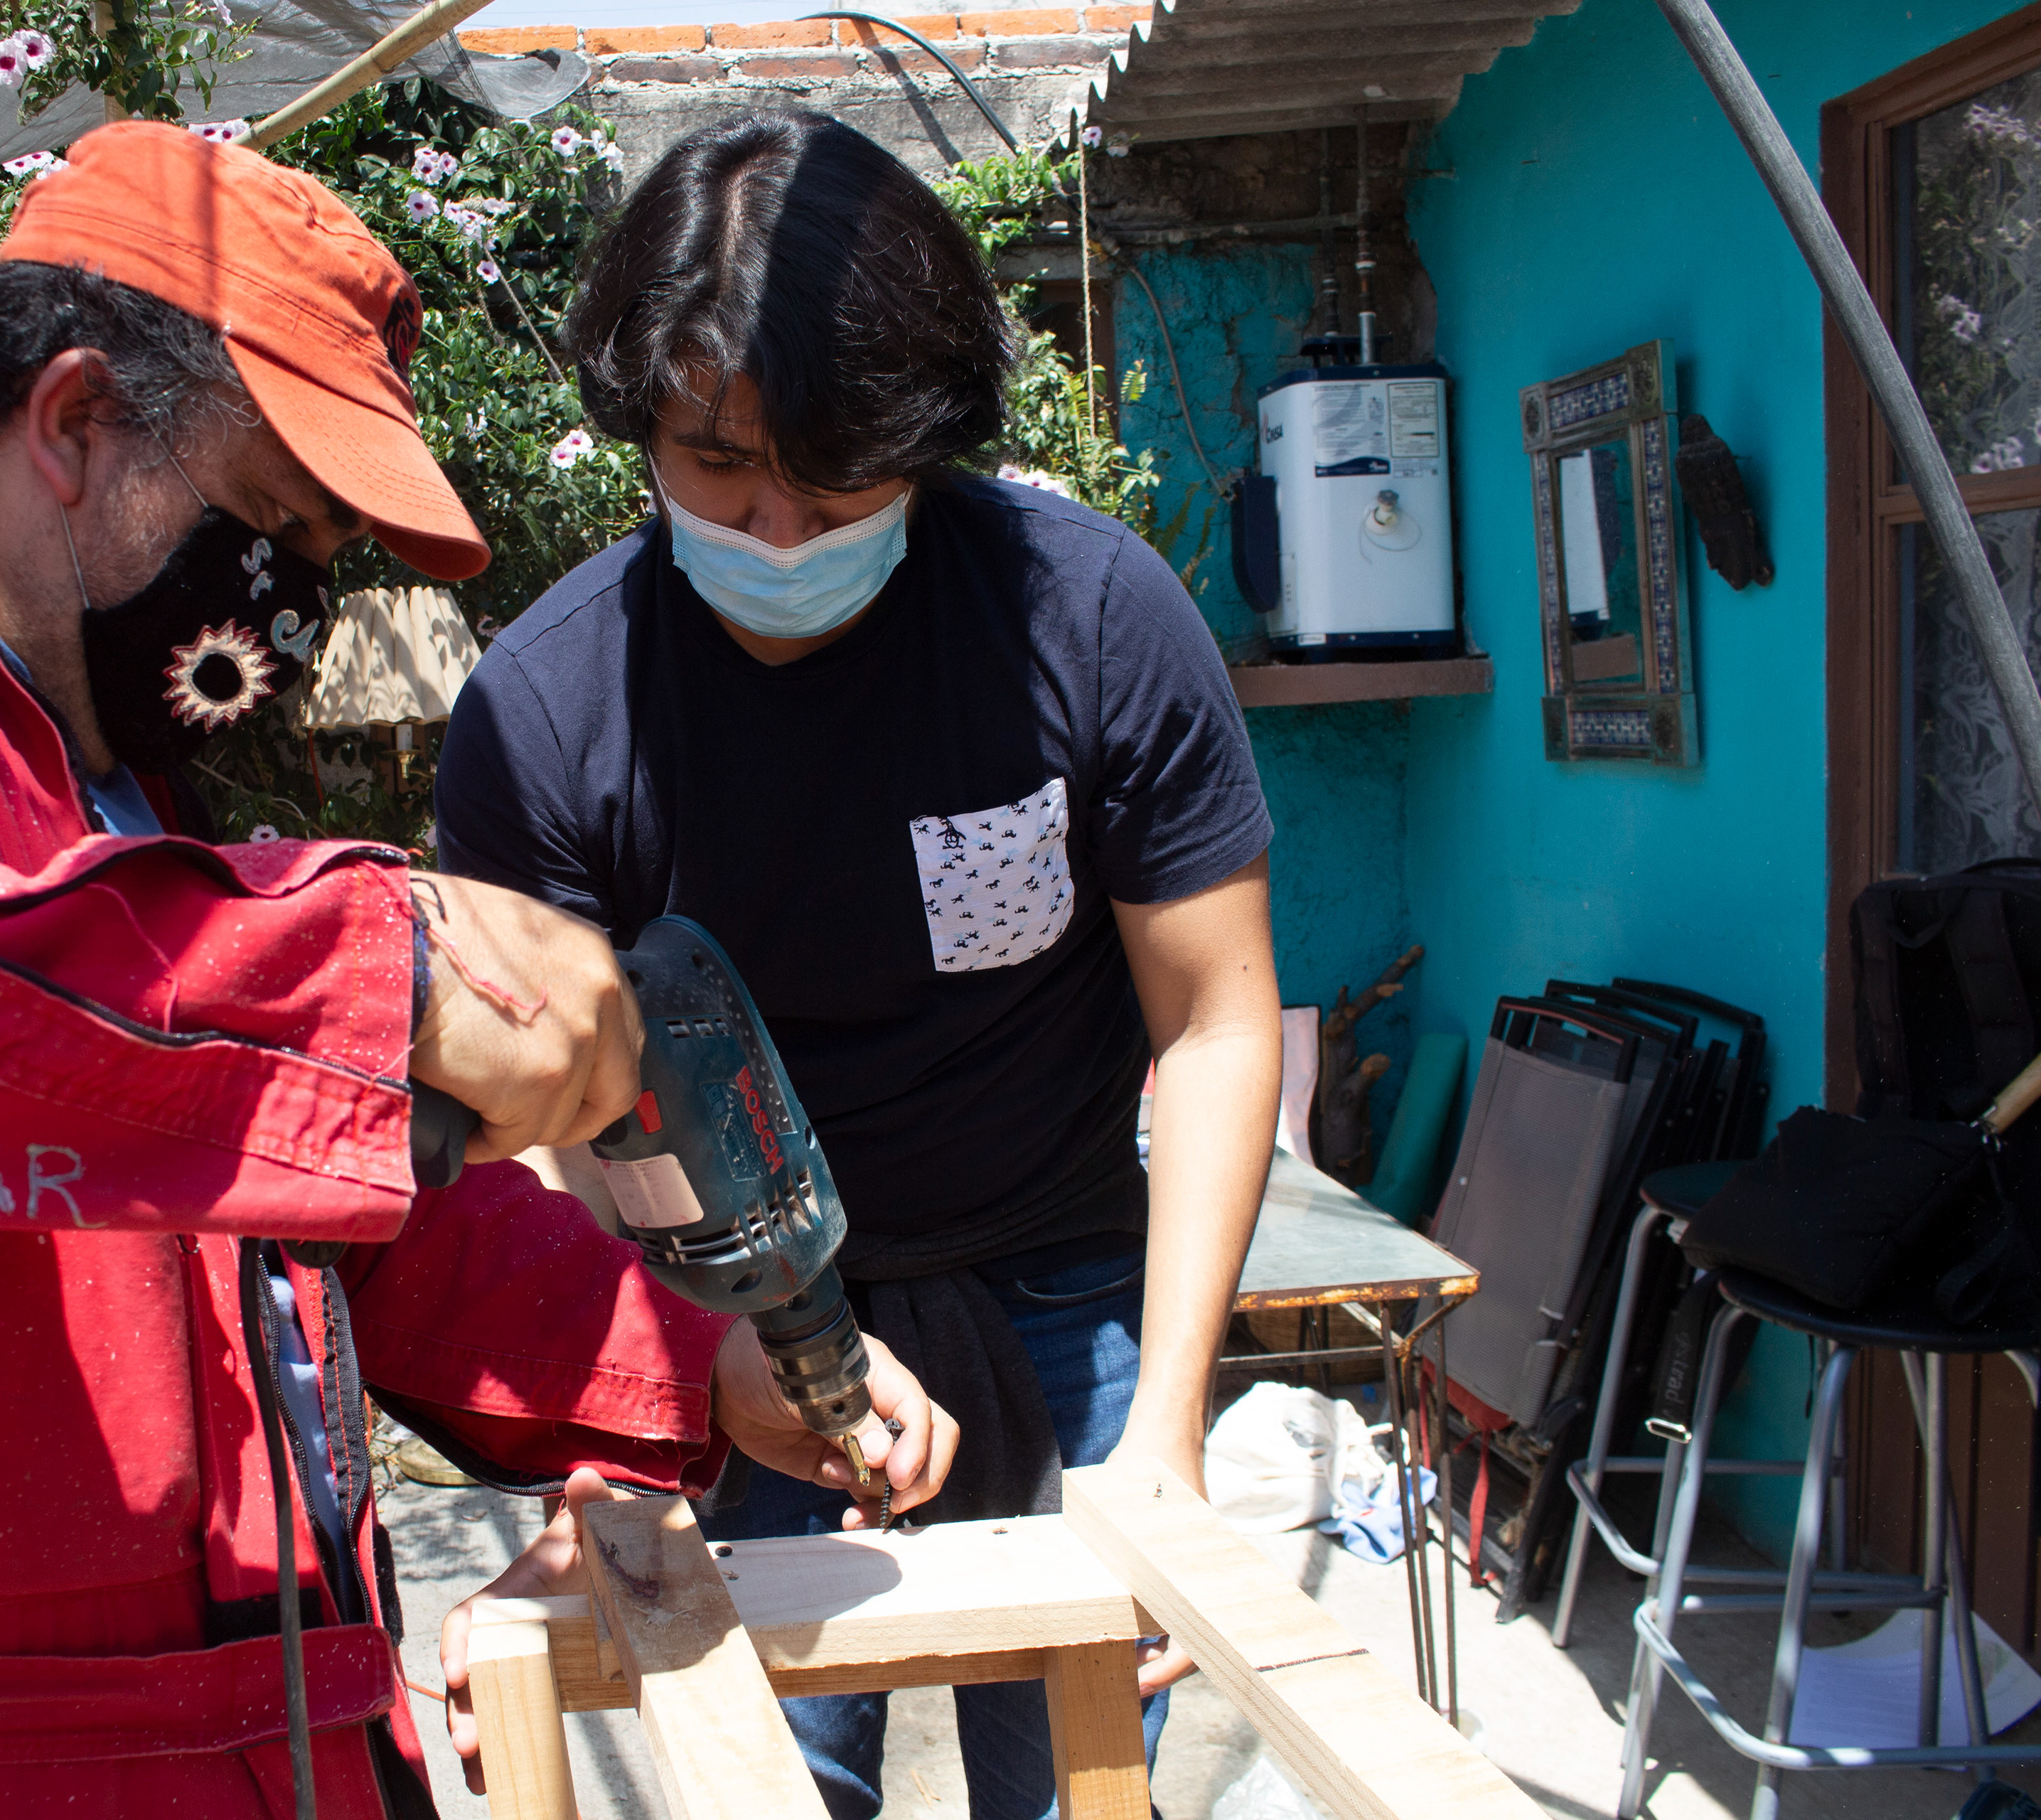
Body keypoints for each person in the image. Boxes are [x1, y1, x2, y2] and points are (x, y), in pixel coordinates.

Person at [0, 120, 949, 1818]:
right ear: (73, 419)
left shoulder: (108, 782)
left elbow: (286, 1226)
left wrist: (684, 1358)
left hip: (249, 1740)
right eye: (272, 517)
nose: (288, 609)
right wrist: (363, 967)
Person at [431, 111, 1283, 1820]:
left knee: (1071, 1776)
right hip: (726, 1311)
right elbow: (532, 1134)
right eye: (718, 468)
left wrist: (1170, 1438)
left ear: (928, 435)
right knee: (766, 1779)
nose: (776, 529)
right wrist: (645, 1404)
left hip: (1061, 1284)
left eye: (834, 489)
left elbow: (1212, 1015)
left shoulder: (1088, 620)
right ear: (642, 424)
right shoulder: (548, 712)